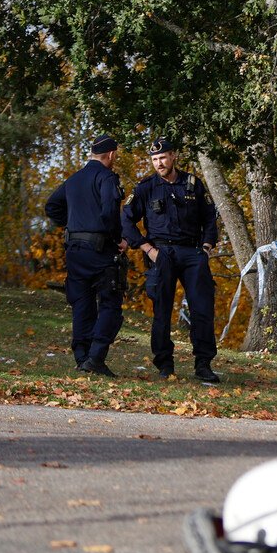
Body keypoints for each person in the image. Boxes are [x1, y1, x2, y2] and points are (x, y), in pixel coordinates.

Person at [121, 136, 221, 383]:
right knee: (162, 311)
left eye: (163, 157)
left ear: (174, 156)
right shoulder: (145, 188)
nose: (159, 163)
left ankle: (204, 364)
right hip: (161, 253)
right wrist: (146, 248)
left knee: (202, 310)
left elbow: (210, 217)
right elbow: (125, 220)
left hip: (192, 253)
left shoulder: (193, 184)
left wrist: (207, 247)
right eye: (154, 159)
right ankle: (165, 364)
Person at [44, 134, 128, 377]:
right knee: (111, 303)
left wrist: (72, 225)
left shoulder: (74, 179)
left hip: (75, 251)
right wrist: (117, 240)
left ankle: (81, 357)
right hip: (101, 251)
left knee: (82, 303)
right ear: (111, 155)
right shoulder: (106, 177)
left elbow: (52, 206)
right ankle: (96, 357)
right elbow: (110, 212)